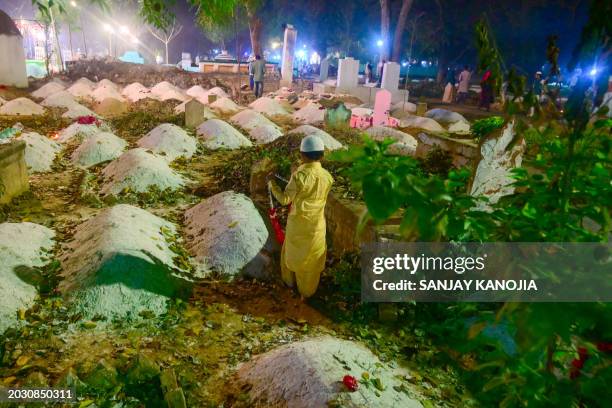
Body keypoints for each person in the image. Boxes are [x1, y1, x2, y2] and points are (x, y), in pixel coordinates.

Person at [267, 135, 334, 300]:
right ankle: (307, 292)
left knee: (292, 253)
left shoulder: (299, 176)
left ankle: (289, 283)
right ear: (322, 155)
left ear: (302, 155)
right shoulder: (328, 177)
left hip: (298, 224)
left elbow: (284, 200)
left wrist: (272, 185)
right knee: (312, 257)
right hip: (317, 225)